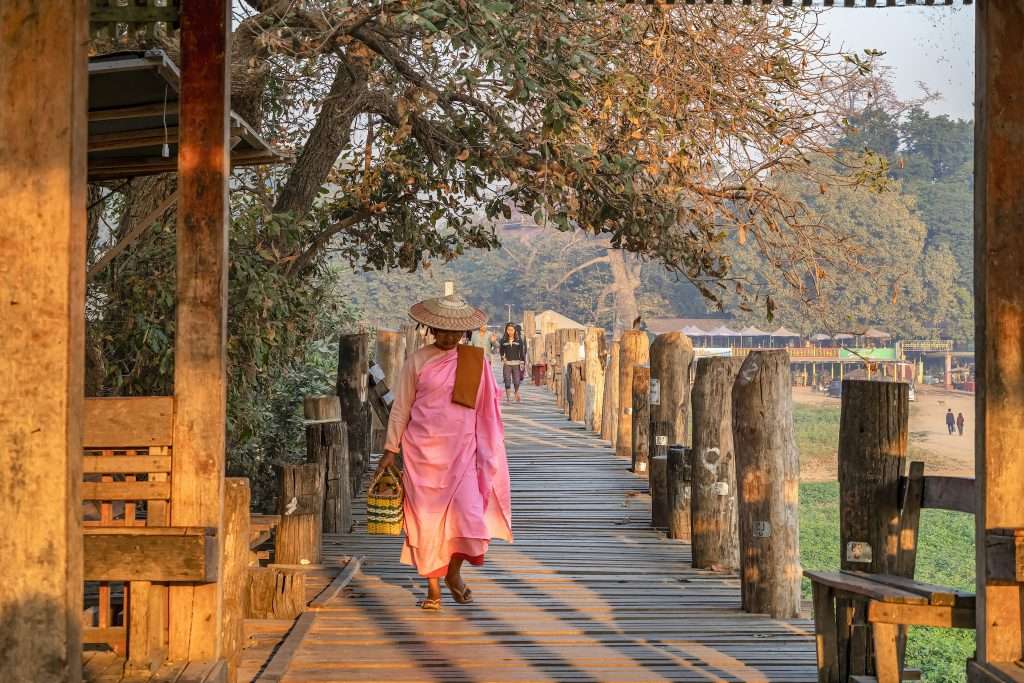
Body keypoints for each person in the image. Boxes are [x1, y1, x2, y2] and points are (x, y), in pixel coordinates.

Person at [376, 295, 512, 610]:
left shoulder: (475, 361)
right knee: (425, 521)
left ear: (464, 333)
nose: (449, 337)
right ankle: (433, 586)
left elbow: (487, 410)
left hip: (463, 451)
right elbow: (402, 408)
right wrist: (389, 449)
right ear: (432, 329)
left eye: (455, 333)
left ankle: (453, 574)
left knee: (467, 516)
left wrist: (487, 449)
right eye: (442, 331)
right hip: (421, 453)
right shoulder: (417, 360)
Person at [499, 322, 527, 402]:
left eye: (512, 330)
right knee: (507, 380)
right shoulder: (503, 340)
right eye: (508, 330)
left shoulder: (519, 340)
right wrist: (502, 357)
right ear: (506, 330)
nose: (510, 331)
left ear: (515, 330)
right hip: (507, 363)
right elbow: (501, 351)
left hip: (516, 363)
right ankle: (508, 397)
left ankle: (516, 392)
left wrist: (522, 362)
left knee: (517, 381)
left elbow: (521, 352)